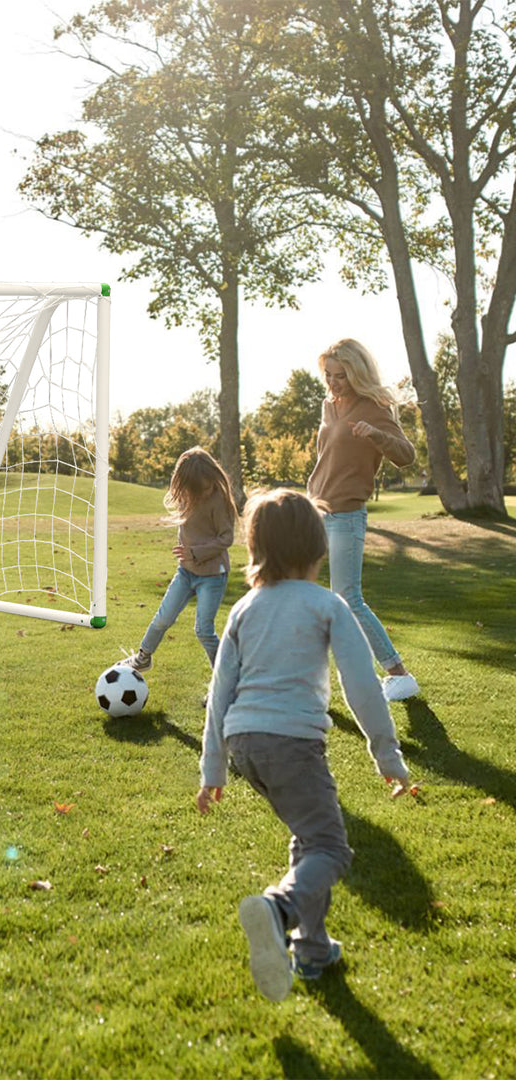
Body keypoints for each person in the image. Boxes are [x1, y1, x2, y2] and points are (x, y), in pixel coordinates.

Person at [197, 488, 412, 1003]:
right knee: (331, 849)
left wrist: (213, 769)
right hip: (292, 744)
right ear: (318, 550)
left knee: (307, 834)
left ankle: (312, 948)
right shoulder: (327, 604)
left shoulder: (244, 608)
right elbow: (362, 683)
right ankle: (278, 909)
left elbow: (218, 693)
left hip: (245, 744)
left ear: (256, 550)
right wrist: (387, 754)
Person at [307, 338, 419, 701]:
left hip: (346, 516)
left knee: (348, 598)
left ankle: (399, 675)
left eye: (341, 376)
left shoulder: (372, 407)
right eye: (328, 375)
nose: (333, 382)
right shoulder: (329, 405)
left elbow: (406, 455)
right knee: (300, 594)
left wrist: (376, 435)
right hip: (316, 511)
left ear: (356, 374)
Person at [121, 446, 237, 677]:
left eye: (207, 485)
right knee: (163, 618)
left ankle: (224, 680)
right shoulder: (186, 496)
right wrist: (187, 554)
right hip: (185, 573)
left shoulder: (218, 500)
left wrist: (196, 552)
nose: (205, 490)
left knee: (204, 631)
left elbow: (227, 538)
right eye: (200, 487)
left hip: (213, 575)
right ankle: (143, 657)